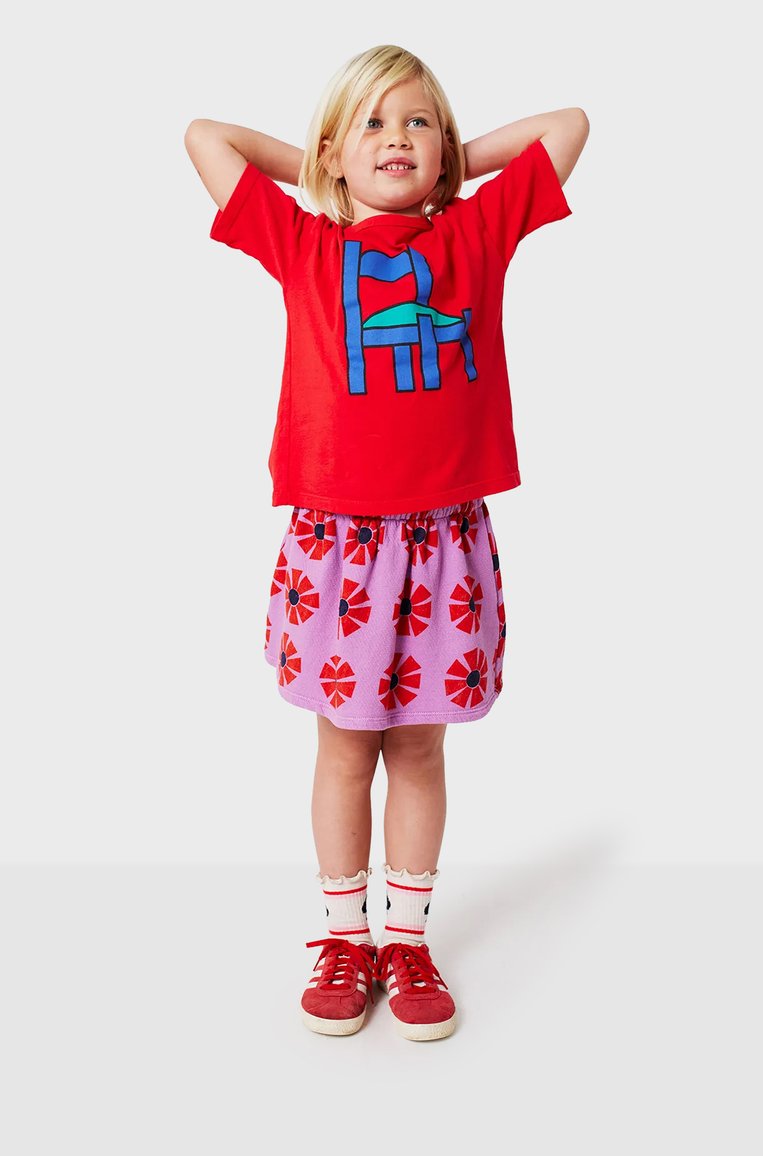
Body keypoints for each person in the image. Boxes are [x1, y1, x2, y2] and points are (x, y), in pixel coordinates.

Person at [185, 43, 589, 1042]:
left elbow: (568, 125)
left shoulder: (475, 233)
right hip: (339, 549)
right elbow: (205, 137)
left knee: (417, 745)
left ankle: (405, 940)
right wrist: (324, 172)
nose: (395, 139)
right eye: (371, 123)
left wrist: (452, 168)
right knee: (342, 744)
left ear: (444, 149)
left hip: (444, 543)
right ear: (332, 150)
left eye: (416, 124)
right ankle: (342, 938)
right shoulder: (304, 244)